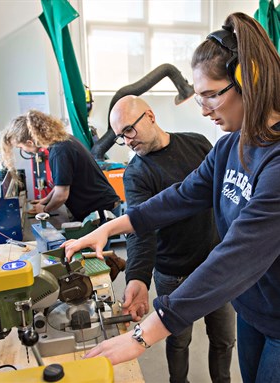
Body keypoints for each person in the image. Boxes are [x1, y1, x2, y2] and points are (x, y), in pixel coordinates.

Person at [62, 12, 280, 383]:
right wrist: (111, 226)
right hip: (253, 308)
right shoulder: (230, 146)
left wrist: (145, 333)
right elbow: (179, 196)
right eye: (199, 97)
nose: (205, 109)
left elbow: (236, 255)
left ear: (252, 82)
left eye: (212, 95)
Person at [109, 95, 235, 383]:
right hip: (173, 274)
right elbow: (140, 230)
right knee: (177, 340)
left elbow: (223, 190)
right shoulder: (136, 174)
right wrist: (138, 278)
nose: (127, 141)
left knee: (224, 339)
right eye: (120, 137)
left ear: (150, 117)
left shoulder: (197, 142)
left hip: (216, 266)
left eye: (129, 130)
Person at [0, 110, 126, 276]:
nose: (24, 150)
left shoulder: (60, 150)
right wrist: (44, 200)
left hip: (99, 212)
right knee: (91, 259)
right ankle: (116, 262)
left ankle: (113, 271)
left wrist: (44, 211)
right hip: (99, 208)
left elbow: (61, 195)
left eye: (21, 147)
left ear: (30, 141)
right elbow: (61, 185)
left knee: (94, 268)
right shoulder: (63, 141)